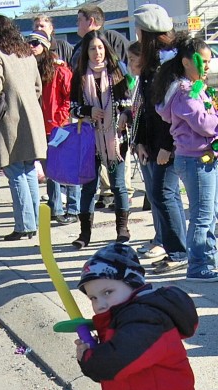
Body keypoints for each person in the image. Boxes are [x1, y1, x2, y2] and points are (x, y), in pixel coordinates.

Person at [74, 243, 198, 390]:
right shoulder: (123, 319)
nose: (100, 304)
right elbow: (112, 373)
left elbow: (113, 363)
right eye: (93, 297)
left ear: (133, 284)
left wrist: (89, 358)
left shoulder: (147, 319)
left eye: (108, 292)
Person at [154, 34, 218, 281]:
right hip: (195, 160)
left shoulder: (193, 89)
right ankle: (198, 265)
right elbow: (203, 123)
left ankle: (207, 260)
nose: (207, 66)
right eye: (203, 61)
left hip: (201, 158)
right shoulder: (184, 92)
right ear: (186, 62)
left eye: (209, 61)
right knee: (202, 215)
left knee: (209, 213)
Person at [0, 15, 47, 241]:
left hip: (10, 120)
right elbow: (38, 88)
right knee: (27, 169)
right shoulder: (26, 53)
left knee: (14, 170)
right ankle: (32, 221)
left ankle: (24, 225)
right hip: (31, 116)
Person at [133, 4, 188, 275]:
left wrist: (167, 146)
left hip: (169, 141)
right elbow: (145, 107)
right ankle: (175, 248)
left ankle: (178, 252)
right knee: (166, 195)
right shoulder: (151, 63)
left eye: (140, 30)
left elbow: (173, 110)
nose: (136, 34)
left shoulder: (171, 65)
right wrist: (140, 141)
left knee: (162, 194)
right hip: (153, 140)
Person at [69, 30, 132, 249]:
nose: (97, 52)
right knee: (88, 187)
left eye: (100, 48)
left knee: (118, 186)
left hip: (115, 137)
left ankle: (122, 230)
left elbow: (128, 102)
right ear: (86, 51)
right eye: (92, 48)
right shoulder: (79, 76)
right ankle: (84, 234)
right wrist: (88, 109)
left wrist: (122, 114)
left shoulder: (117, 72)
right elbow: (73, 108)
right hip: (89, 138)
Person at [28, 30, 79, 225]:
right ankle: (56, 207)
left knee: (67, 168)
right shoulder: (32, 69)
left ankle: (73, 209)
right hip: (41, 126)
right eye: (29, 43)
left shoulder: (60, 70)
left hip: (60, 125)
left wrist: (61, 118)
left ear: (46, 46)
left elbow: (69, 97)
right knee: (51, 170)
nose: (31, 47)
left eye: (35, 43)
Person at [128, 41, 166, 260]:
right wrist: (139, 142)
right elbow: (137, 114)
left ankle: (164, 240)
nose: (130, 64)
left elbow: (152, 117)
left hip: (156, 146)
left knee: (161, 196)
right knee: (152, 195)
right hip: (144, 145)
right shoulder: (138, 82)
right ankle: (158, 236)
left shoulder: (153, 81)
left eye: (133, 59)